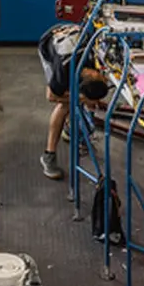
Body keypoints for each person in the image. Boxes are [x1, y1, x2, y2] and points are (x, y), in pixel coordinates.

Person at [36, 22, 109, 179]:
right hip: (50, 43)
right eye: (92, 101)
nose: (95, 105)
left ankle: (71, 130)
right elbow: (50, 96)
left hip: (73, 35)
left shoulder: (98, 58)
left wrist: (90, 100)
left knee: (76, 102)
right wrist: (78, 99)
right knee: (63, 104)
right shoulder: (62, 70)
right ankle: (48, 156)